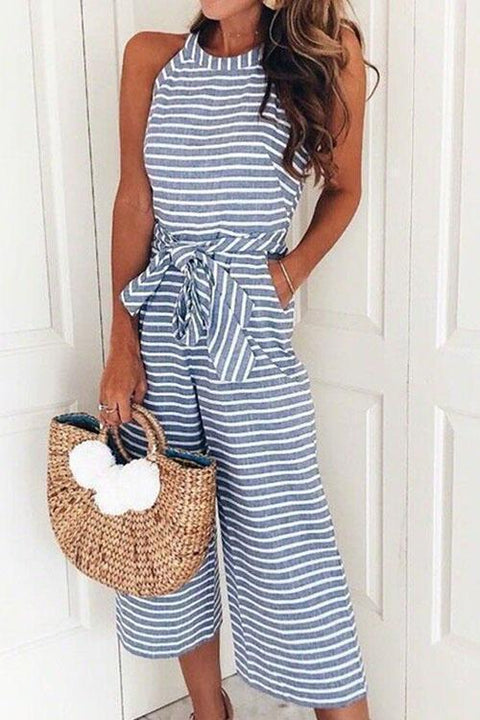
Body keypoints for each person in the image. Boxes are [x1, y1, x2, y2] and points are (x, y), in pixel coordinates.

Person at [98, 1, 378, 718]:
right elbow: (134, 201)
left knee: (287, 540)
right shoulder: (151, 58)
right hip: (161, 327)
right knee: (171, 528)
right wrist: (121, 341)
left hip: (248, 331)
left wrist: (286, 276)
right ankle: (208, 710)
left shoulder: (326, 54)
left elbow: (345, 188)